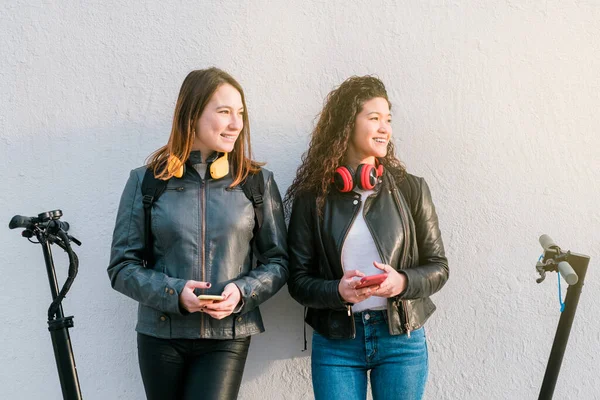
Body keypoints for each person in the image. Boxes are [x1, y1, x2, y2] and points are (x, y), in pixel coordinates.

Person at [107, 67, 288, 400]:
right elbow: (121, 267)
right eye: (224, 112)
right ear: (191, 115)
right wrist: (174, 293)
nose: (236, 124)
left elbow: (278, 262)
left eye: (240, 114)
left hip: (227, 336)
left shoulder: (257, 182)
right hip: (160, 334)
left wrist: (242, 292)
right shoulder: (146, 181)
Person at [285, 75, 448, 400]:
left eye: (387, 119)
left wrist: (401, 282)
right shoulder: (311, 198)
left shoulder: (411, 188)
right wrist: (337, 291)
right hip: (336, 345)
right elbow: (297, 280)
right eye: (374, 118)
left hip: (401, 339)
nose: (385, 128)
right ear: (347, 123)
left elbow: (439, 267)